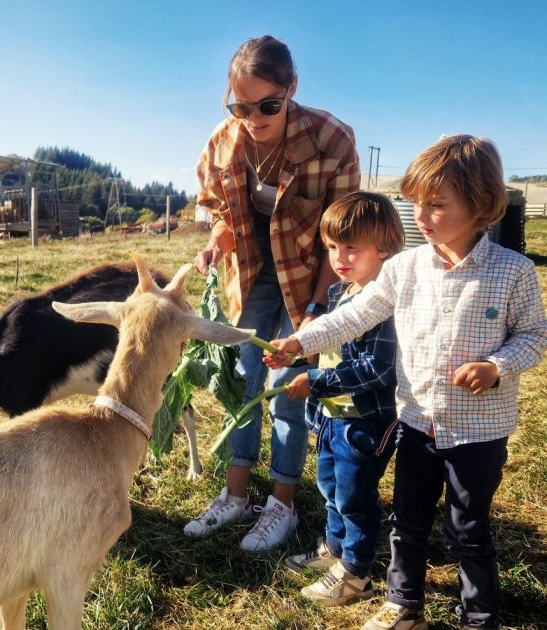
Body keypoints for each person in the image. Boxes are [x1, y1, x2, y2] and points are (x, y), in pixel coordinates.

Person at [266, 135, 547, 629]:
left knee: (467, 529)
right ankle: (403, 605)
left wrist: (497, 365)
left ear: (481, 204)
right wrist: (302, 339)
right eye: (417, 202)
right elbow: (357, 315)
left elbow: (535, 336)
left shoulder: (513, 272)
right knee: (407, 521)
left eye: (437, 204)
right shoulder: (405, 267)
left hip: (477, 433)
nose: (422, 214)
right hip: (415, 422)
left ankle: (479, 616)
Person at [184, 35, 360, 552]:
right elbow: (214, 204)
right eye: (240, 106)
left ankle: (281, 503)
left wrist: (315, 309)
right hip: (250, 268)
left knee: (287, 384)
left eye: (268, 105)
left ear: (292, 89)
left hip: (307, 271)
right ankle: (235, 494)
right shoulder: (223, 140)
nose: (253, 117)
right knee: (244, 378)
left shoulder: (332, 139)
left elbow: (344, 234)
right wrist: (217, 241)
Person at [267, 192, 404, 606]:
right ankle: (335, 548)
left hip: (365, 420)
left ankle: (356, 572)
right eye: (331, 248)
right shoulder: (341, 294)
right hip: (333, 416)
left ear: (384, 247)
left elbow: (377, 369)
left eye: (351, 248)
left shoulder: (385, 301)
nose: (339, 257)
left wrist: (316, 381)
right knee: (329, 485)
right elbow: (327, 342)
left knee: (355, 495)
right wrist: (295, 348)